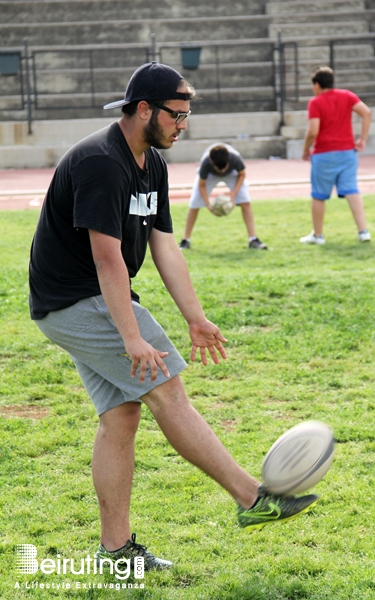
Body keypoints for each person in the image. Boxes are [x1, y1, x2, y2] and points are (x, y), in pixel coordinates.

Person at [29, 62, 318, 573]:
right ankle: (254, 499)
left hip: (83, 298)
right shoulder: (101, 161)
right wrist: (131, 335)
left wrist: (196, 317)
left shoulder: (151, 163)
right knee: (169, 390)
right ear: (145, 110)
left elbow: (164, 246)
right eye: (177, 115)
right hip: (76, 296)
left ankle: (114, 552)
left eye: (187, 115)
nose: (183, 125)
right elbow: (106, 259)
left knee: (121, 416)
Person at [300, 66, 372, 245]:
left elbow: (313, 131)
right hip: (348, 152)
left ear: (316, 85)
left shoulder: (316, 103)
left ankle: (318, 235)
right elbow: (367, 112)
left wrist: (305, 149)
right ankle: (363, 231)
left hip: (324, 153)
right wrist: (362, 139)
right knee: (352, 191)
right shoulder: (347, 96)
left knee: (319, 195)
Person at [179, 143, 267, 250]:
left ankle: (253, 240)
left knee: (245, 201)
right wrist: (208, 205)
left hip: (233, 174)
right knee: (194, 203)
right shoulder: (206, 163)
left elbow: (242, 174)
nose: (222, 171)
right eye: (220, 169)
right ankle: (185, 240)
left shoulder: (235, 159)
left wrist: (233, 194)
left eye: (224, 168)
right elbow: (202, 185)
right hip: (211, 175)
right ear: (212, 163)